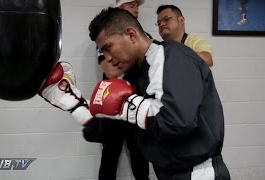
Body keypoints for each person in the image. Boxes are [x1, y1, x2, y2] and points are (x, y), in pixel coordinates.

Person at [87, 7, 231, 180]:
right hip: (168, 172)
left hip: (197, 172)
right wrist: (73, 103)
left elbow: (176, 122)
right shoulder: (135, 73)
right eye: (103, 52)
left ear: (131, 35)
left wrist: (127, 106)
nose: (107, 57)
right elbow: (99, 133)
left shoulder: (173, 56)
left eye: (108, 48)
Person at [90, 1, 150, 179]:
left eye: (137, 5)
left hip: (136, 104)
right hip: (112, 106)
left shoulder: (143, 36)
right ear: (119, 8)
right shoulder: (104, 39)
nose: (136, 8)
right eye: (131, 4)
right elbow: (110, 70)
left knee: (141, 156)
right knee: (110, 156)